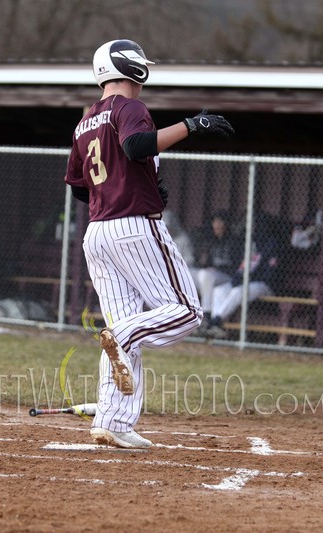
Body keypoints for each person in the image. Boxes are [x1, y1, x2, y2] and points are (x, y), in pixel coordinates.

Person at [64, 39, 234, 449]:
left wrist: (136, 186)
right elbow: (136, 146)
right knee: (188, 312)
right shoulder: (128, 106)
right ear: (130, 68)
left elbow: (80, 188)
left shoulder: (85, 120)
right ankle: (118, 337)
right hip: (133, 229)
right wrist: (193, 125)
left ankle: (113, 421)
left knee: (128, 336)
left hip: (98, 233)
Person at [204, 227, 280, 340]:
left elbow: (268, 275)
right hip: (247, 283)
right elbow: (240, 271)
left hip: (264, 286)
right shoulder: (251, 247)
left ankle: (216, 321)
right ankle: (216, 327)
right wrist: (239, 278)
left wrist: (248, 278)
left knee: (238, 291)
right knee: (219, 291)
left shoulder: (273, 247)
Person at [194, 211, 241, 331]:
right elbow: (205, 264)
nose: (217, 225)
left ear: (226, 224)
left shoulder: (234, 241)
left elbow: (237, 267)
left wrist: (216, 269)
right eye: (215, 222)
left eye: (220, 222)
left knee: (206, 275)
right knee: (193, 273)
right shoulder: (211, 241)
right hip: (211, 277)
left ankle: (206, 315)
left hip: (227, 277)